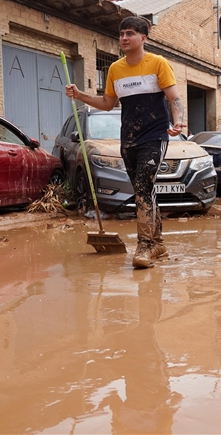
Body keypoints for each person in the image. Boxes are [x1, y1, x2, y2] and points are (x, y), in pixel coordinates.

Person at [65, 16, 185, 269]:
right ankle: (158, 244)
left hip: (154, 136)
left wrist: (178, 122)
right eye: (121, 34)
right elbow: (107, 104)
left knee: (142, 186)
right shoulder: (116, 69)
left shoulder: (158, 64)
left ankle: (144, 246)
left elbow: (174, 98)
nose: (124, 38)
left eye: (129, 33)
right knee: (145, 191)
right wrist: (80, 95)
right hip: (128, 138)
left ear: (144, 38)